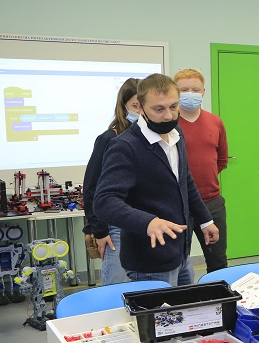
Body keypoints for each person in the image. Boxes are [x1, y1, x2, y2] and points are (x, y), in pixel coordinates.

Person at [95, 74, 218, 285]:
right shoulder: (125, 146)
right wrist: (148, 222)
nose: (168, 116)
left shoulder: (176, 134)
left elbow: (184, 180)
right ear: (141, 108)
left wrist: (205, 220)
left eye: (173, 107)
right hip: (149, 261)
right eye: (159, 109)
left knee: (186, 303)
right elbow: (104, 201)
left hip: (180, 253)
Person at [82, 78, 139, 285]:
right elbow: (91, 188)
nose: (141, 111)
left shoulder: (152, 139)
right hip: (117, 226)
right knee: (116, 287)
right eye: (135, 106)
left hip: (146, 223)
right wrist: (99, 230)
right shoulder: (109, 139)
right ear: (124, 107)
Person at [174, 69, 229, 275]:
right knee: (178, 262)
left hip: (212, 203)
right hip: (178, 204)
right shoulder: (168, 124)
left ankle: (216, 295)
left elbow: (221, 160)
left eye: (195, 89)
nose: (190, 93)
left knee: (218, 261)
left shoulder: (215, 122)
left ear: (203, 92)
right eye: (184, 89)